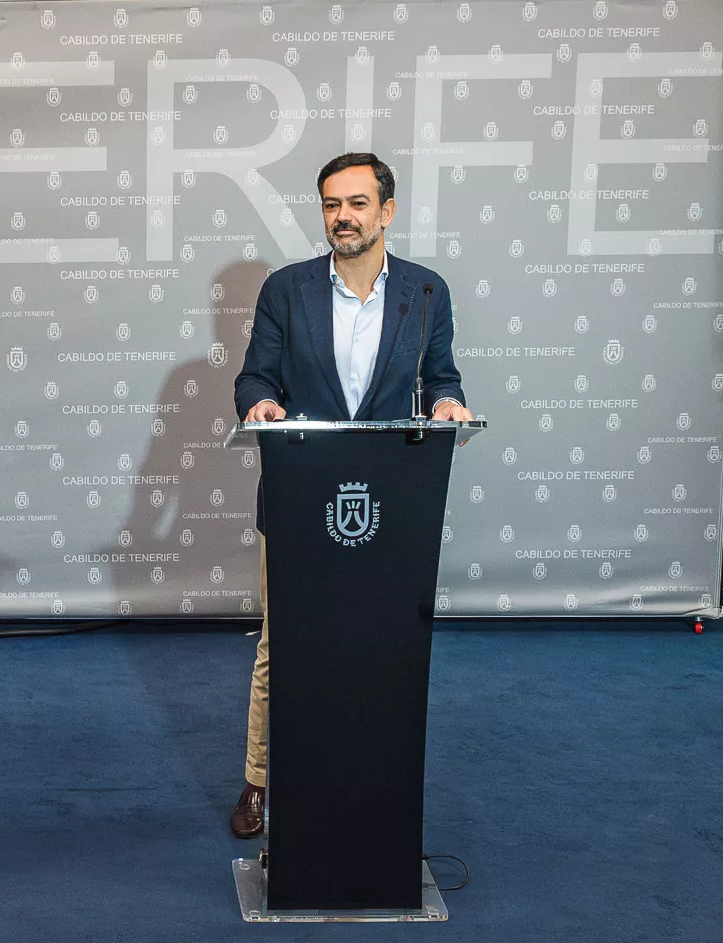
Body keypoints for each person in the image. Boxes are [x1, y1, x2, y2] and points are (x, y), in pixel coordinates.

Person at [229, 153, 473, 838]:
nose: (344, 217)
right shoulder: (286, 290)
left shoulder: (426, 292)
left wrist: (448, 404)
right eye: (332, 204)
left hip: (391, 506)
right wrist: (262, 405)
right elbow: (255, 378)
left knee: (378, 644)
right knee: (284, 645)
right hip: (300, 498)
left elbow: (442, 376)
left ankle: (365, 777)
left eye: (358, 203)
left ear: (386, 212)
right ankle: (259, 780)